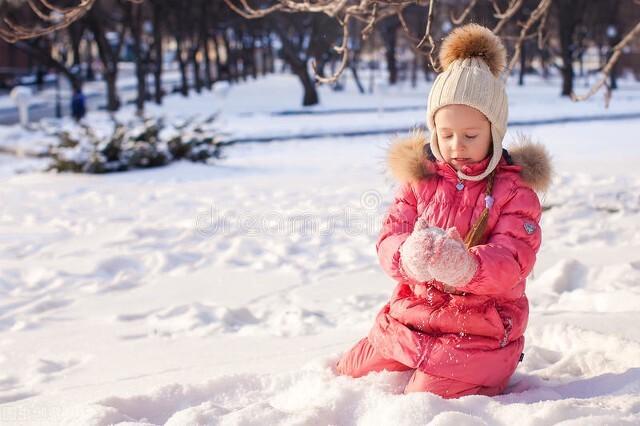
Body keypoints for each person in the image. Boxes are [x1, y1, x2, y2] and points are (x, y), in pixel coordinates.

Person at [335, 23, 553, 398]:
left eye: (471, 135)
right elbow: (389, 236)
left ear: (494, 133)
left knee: (421, 401)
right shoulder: (421, 179)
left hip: (479, 332)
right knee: (348, 372)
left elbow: (514, 259)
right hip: (413, 317)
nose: (456, 146)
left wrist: (466, 266)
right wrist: (407, 253)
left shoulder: (514, 191)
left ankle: (466, 381)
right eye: (446, 134)